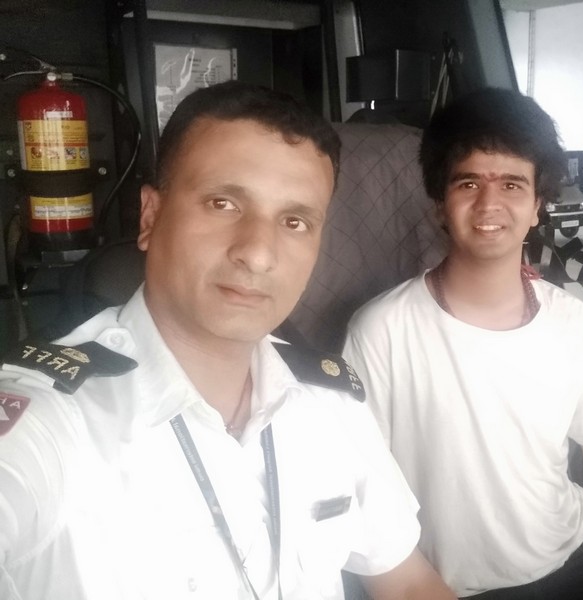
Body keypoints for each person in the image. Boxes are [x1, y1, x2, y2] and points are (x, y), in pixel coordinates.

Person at [0, 81, 456, 600]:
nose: (258, 253)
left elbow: (408, 583)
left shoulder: (329, 403)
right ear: (150, 217)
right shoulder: (51, 419)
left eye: (294, 221)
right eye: (223, 203)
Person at [343, 87, 583, 600]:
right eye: (468, 183)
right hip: (442, 585)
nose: (490, 204)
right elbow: (361, 501)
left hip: (574, 564)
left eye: (512, 184)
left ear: (536, 206)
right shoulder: (381, 331)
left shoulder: (575, 326)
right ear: (439, 205)